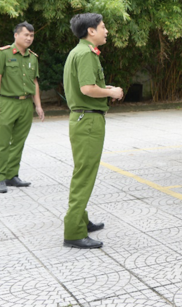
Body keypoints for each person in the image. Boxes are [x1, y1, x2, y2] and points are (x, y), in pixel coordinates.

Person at [62, 13, 123, 249]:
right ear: (91, 31)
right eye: (103, 27)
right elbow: (87, 89)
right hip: (88, 120)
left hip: (83, 118)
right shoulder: (86, 54)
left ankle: (81, 219)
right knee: (85, 174)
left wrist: (104, 88)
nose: (106, 31)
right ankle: (74, 231)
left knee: (82, 171)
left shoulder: (77, 52)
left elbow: (84, 87)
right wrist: (112, 92)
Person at [0, 21, 45, 193]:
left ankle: (11, 175)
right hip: (7, 102)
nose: (29, 38)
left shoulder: (33, 57)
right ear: (16, 35)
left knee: (19, 141)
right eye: (26, 35)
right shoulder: (3, 54)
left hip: (26, 104)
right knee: (2, 142)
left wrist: (38, 105)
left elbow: (34, 82)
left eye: (32, 35)